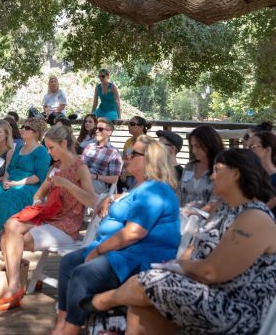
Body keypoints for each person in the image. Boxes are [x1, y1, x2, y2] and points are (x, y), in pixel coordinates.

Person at [89, 149, 276, 335]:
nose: (212, 176)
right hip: (204, 293)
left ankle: (102, 302)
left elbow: (211, 272)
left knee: (149, 281)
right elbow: (194, 247)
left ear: (236, 174)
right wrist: (179, 265)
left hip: (235, 310)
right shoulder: (225, 210)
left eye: (217, 170)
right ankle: (107, 306)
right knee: (144, 306)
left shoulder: (255, 217)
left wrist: (179, 266)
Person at [51, 136, 180, 335]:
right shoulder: (139, 186)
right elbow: (126, 202)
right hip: (121, 252)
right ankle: (61, 324)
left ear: (148, 159)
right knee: (69, 262)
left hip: (139, 258)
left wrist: (99, 250)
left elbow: (133, 233)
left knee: (82, 274)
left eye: (133, 154)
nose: (126, 157)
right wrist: (111, 198)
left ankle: (69, 330)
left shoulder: (156, 190)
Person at [0, 124, 96, 311]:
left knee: (7, 238)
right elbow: (38, 195)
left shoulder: (80, 168)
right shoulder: (54, 167)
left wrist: (68, 185)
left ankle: (14, 287)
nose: (48, 152)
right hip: (49, 217)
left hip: (67, 225)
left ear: (64, 143)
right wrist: (40, 202)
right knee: (9, 227)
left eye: (51, 148)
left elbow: (92, 201)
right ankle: (15, 286)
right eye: (47, 148)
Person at [0, 118, 51, 249]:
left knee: (8, 200)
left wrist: (15, 184)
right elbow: (9, 169)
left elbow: (39, 177)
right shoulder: (20, 147)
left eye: (26, 128)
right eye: (22, 126)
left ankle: (7, 235)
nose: (22, 129)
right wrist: (5, 181)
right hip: (11, 182)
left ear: (35, 132)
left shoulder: (41, 151)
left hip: (29, 186)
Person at [246, 130, 276, 220]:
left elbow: (260, 209)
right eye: (247, 147)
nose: (248, 150)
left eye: (252, 147)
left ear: (267, 150)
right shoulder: (252, 174)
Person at [179, 125, 223, 209]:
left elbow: (217, 202)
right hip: (182, 217)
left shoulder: (220, 170)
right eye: (192, 146)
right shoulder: (189, 166)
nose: (193, 151)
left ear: (210, 145)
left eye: (198, 146)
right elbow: (179, 192)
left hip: (206, 219)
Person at [82, 117, 122, 194]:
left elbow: (114, 179)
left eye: (100, 129)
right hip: (83, 177)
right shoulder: (89, 146)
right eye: (96, 129)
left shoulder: (114, 153)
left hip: (97, 183)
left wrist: (95, 177)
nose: (97, 131)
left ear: (109, 132)